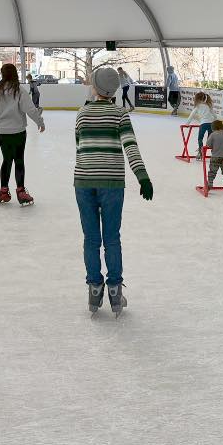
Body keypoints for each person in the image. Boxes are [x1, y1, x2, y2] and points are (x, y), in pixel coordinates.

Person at [74, 66, 153, 317]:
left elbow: (79, 145)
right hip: (112, 183)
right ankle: (115, 291)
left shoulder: (82, 113)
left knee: (91, 239)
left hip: (84, 181)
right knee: (111, 238)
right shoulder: (120, 114)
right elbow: (131, 147)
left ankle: (94, 289)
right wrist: (143, 177)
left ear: (95, 87)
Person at [0, 63, 45, 206]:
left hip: (2, 132)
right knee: (19, 160)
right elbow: (30, 109)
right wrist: (40, 122)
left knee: (6, 160)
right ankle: (20, 191)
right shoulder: (19, 90)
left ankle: (3, 191)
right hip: (18, 131)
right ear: (15, 74)